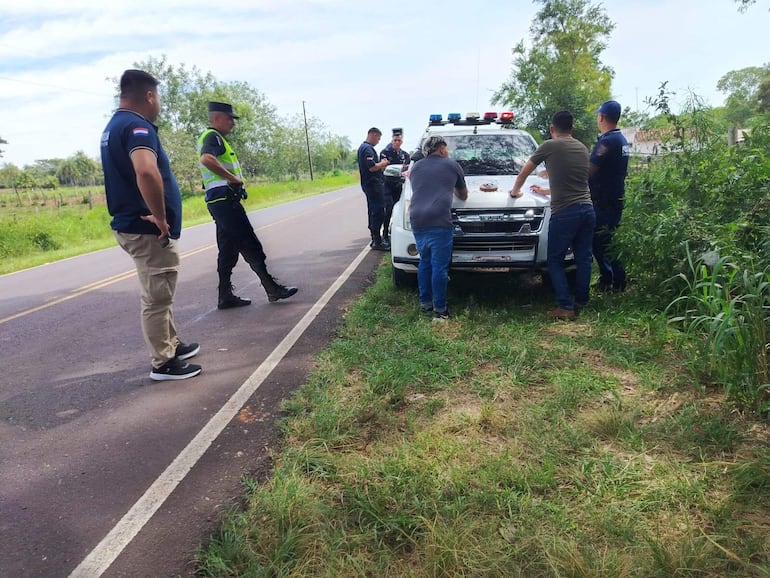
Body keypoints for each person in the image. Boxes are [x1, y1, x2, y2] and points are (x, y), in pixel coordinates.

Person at [100, 69, 202, 381]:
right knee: (157, 295)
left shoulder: (114, 126)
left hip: (132, 224)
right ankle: (163, 363)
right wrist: (160, 216)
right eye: (157, 97)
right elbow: (146, 171)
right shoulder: (135, 125)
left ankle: (171, 344)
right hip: (147, 228)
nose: (158, 103)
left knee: (161, 290)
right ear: (149, 96)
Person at [198, 101, 297, 308]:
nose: (232, 123)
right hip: (225, 201)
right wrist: (234, 179)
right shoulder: (213, 136)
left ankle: (224, 296)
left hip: (218, 201)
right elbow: (207, 159)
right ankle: (271, 288)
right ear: (216, 118)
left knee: (228, 248)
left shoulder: (213, 138)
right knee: (249, 242)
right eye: (229, 119)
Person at [510, 110, 595, 320]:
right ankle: (582, 300)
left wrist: (515, 192)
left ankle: (565, 307)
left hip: (565, 211)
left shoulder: (549, 145)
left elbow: (525, 171)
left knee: (554, 259)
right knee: (583, 257)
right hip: (587, 208)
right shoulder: (582, 147)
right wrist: (546, 191)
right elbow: (575, 182)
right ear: (572, 128)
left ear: (552, 129)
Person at [409, 135, 468, 321]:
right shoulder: (451, 165)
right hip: (439, 220)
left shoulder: (416, 167)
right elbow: (463, 195)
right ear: (442, 149)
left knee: (424, 261)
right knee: (439, 267)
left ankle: (425, 302)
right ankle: (440, 311)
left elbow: (420, 188)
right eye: (446, 149)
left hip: (417, 218)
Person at [589, 100, 630, 293]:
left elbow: (590, 169)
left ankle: (613, 280)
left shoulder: (606, 142)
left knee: (601, 241)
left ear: (602, 117)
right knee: (608, 240)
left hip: (604, 200)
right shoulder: (620, 139)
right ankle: (614, 279)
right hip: (615, 196)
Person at [357, 127, 390, 251]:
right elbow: (371, 167)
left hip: (370, 184)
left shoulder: (365, 148)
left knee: (373, 210)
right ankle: (377, 240)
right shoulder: (367, 149)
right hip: (373, 184)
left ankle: (374, 238)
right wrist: (382, 164)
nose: (378, 141)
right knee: (378, 211)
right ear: (374, 135)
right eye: (379, 138)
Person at [379, 128, 411, 243]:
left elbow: (407, 168)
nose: (397, 142)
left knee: (399, 209)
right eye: (395, 140)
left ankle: (396, 233)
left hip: (399, 185)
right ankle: (385, 234)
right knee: (389, 208)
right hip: (387, 184)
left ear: (402, 141)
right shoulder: (385, 152)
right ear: (392, 140)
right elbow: (383, 167)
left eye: (399, 140)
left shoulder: (405, 155)